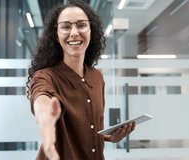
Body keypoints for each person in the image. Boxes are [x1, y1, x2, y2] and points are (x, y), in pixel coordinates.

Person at [27, 0, 136, 159]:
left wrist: (108, 137)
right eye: (66, 26)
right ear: (57, 36)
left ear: (91, 31)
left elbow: (86, 130)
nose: (74, 33)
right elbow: (41, 96)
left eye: (81, 25)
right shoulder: (46, 76)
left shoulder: (97, 77)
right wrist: (46, 113)